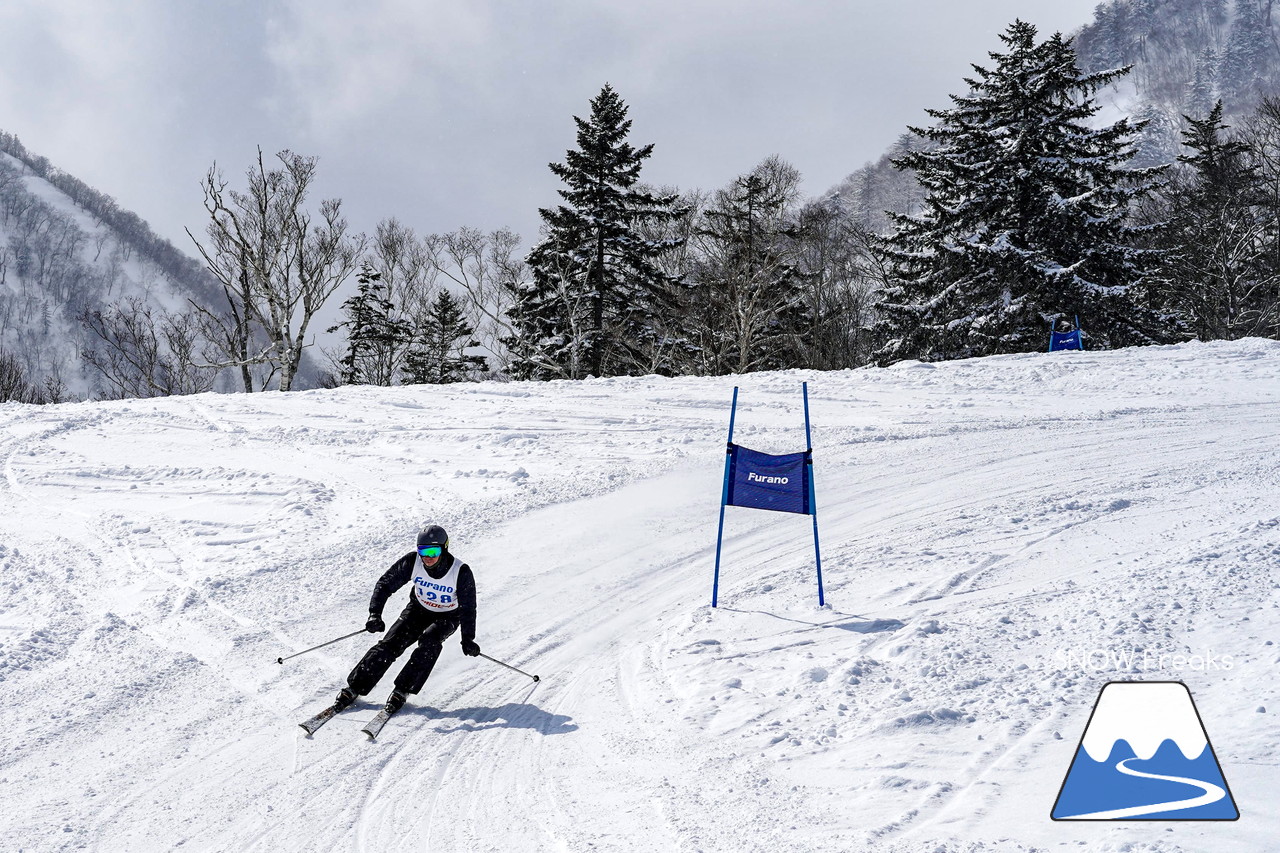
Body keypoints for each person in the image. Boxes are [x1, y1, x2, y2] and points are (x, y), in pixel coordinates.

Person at [331, 523, 480, 715]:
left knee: (430, 641)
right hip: (418, 609)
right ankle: (355, 687)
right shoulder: (413, 562)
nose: (428, 557)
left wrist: (468, 638)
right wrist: (375, 613)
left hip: (448, 615)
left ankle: (403, 689)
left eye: (433, 551)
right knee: (391, 643)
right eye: (423, 551)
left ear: (444, 548)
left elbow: (468, 608)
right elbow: (385, 584)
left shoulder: (461, 572)